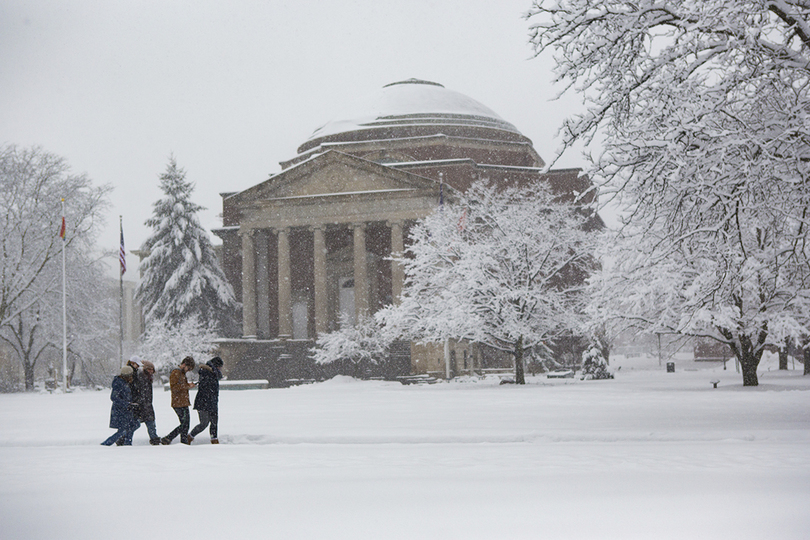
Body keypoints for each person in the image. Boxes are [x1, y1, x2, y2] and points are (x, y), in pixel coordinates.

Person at [161, 356, 196, 445]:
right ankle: (169, 438)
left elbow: (180, 385)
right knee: (184, 424)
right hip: (178, 403)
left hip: (183, 402)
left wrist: (188, 385)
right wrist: (187, 386)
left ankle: (183, 441)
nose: (188, 370)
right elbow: (174, 387)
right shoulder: (176, 373)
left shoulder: (181, 373)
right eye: (188, 368)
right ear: (184, 365)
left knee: (185, 424)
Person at [101, 365, 140, 446]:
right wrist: (127, 404)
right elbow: (114, 397)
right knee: (124, 430)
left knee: (133, 425)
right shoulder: (119, 383)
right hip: (120, 411)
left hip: (126, 410)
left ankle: (127, 443)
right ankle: (107, 444)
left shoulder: (125, 383)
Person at [189, 357, 224, 444]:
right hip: (203, 402)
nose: (220, 369)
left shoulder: (213, 373)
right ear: (216, 366)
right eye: (220, 367)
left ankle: (214, 438)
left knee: (214, 422)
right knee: (204, 423)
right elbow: (205, 387)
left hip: (211, 401)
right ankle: (189, 437)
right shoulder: (206, 372)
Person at [136, 360, 161, 445]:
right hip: (143, 405)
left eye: (152, 369)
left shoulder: (148, 378)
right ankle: (154, 438)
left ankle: (154, 438)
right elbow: (142, 393)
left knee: (150, 423)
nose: (151, 371)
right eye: (149, 369)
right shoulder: (143, 378)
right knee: (137, 423)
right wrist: (143, 403)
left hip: (147, 404)